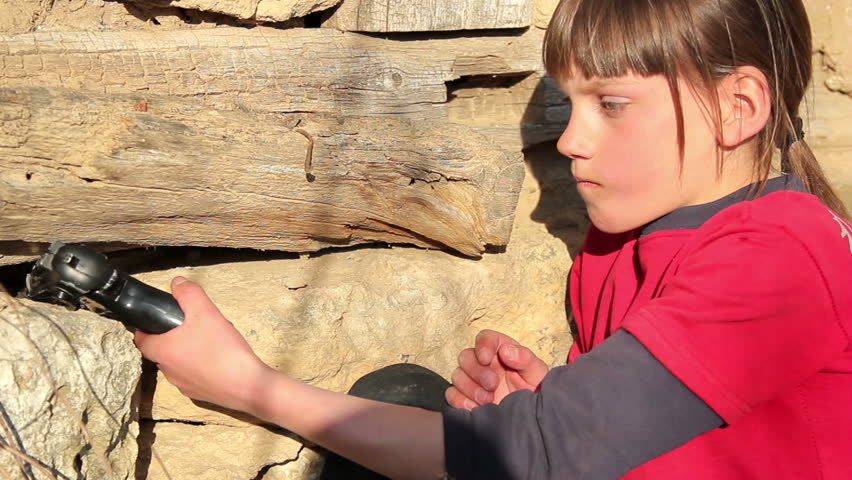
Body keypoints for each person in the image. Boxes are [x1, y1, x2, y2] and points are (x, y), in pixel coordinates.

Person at [135, 0, 852, 478]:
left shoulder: (782, 252)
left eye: (610, 105)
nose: (571, 140)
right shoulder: (612, 250)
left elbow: (542, 455)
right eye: (570, 104)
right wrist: (560, 400)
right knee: (406, 395)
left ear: (739, 107)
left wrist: (251, 386)